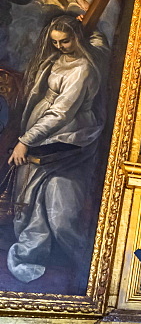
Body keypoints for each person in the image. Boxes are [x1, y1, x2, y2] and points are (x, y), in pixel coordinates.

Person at [6, 15, 107, 283]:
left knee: (43, 189)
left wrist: (26, 140)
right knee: (35, 190)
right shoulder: (64, 57)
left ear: (76, 38)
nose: (60, 46)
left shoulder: (83, 67)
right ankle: (33, 247)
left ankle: (52, 253)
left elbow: (61, 113)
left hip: (67, 136)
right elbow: (98, 43)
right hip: (43, 130)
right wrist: (91, 25)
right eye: (55, 42)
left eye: (65, 40)